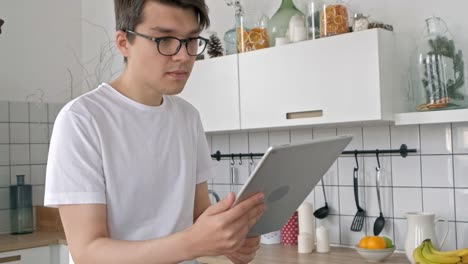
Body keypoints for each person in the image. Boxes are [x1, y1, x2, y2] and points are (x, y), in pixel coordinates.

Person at [44, 1, 265, 263]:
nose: (183, 56)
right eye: (165, 39)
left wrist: (228, 239)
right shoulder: (82, 120)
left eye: (191, 40)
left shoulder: (188, 117)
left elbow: (198, 217)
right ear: (124, 42)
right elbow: (87, 252)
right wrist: (193, 243)